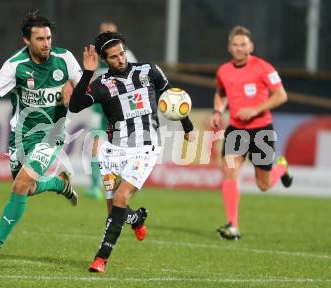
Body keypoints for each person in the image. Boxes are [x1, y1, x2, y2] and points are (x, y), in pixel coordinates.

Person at [0, 10, 81, 260]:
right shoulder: (16, 65)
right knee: (27, 188)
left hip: (52, 132)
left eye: (48, 38)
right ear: (26, 41)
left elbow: (87, 84)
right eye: (40, 39)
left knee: (20, 184)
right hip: (21, 135)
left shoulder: (64, 58)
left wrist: (74, 87)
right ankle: (59, 184)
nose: (46, 44)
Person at [69, 31, 195, 273]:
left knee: (120, 198)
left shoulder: (150, 71)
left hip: (145, 148)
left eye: (122, 53)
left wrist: (187, 127)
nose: (121, 59)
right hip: (112, 151)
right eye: (114, 57)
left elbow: (174, 98)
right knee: (113, 211)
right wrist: (87, 73)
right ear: (105, 60)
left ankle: (101, 259)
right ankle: (135, 218)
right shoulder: (103, 84)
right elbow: (75, 106)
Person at [210, 26, 294, 240]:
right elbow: (220, 93)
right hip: (236, 130)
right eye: (235, 45)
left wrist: (256, 109)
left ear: (251, 46)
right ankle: (233, 226)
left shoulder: (263, 67)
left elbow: (281, 95)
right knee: (229, 172)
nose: (239, 48)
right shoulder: (223, 71)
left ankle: (281, 169)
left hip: (261, 130)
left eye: (243, 44)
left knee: (263, 185)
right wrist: (218, 111)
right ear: (230, 47)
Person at [86, 21, 138, 200]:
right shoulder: (96, 56)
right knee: (96, 143)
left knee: (124, 145)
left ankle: (127, 181)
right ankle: (94, 185)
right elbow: (89, 79)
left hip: (120, 108)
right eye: (104, 33)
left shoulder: (126, 55)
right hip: (100, 108)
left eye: (111, 33)